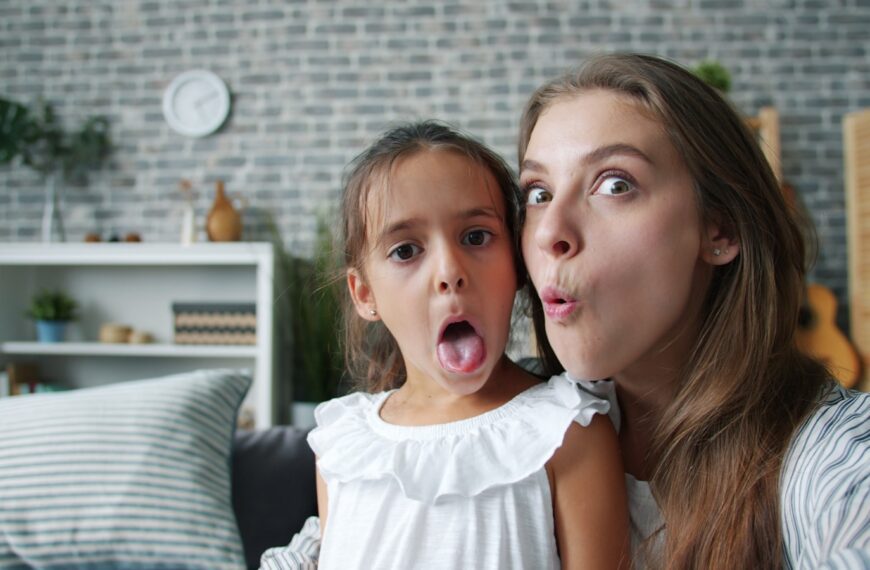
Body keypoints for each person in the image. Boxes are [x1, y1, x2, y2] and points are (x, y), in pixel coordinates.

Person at [519, 53, 869, 569]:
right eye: (538, 193)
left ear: (719, 229)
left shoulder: (837, 456)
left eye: (615, 184)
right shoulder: (510, 424)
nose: (550, 231)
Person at [296, 121, 629, 569]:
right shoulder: (342, 446)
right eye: (406, 251)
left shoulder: (567, 431)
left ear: (516, 263)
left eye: (476, 237)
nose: (450, 271)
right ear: (365, 294)